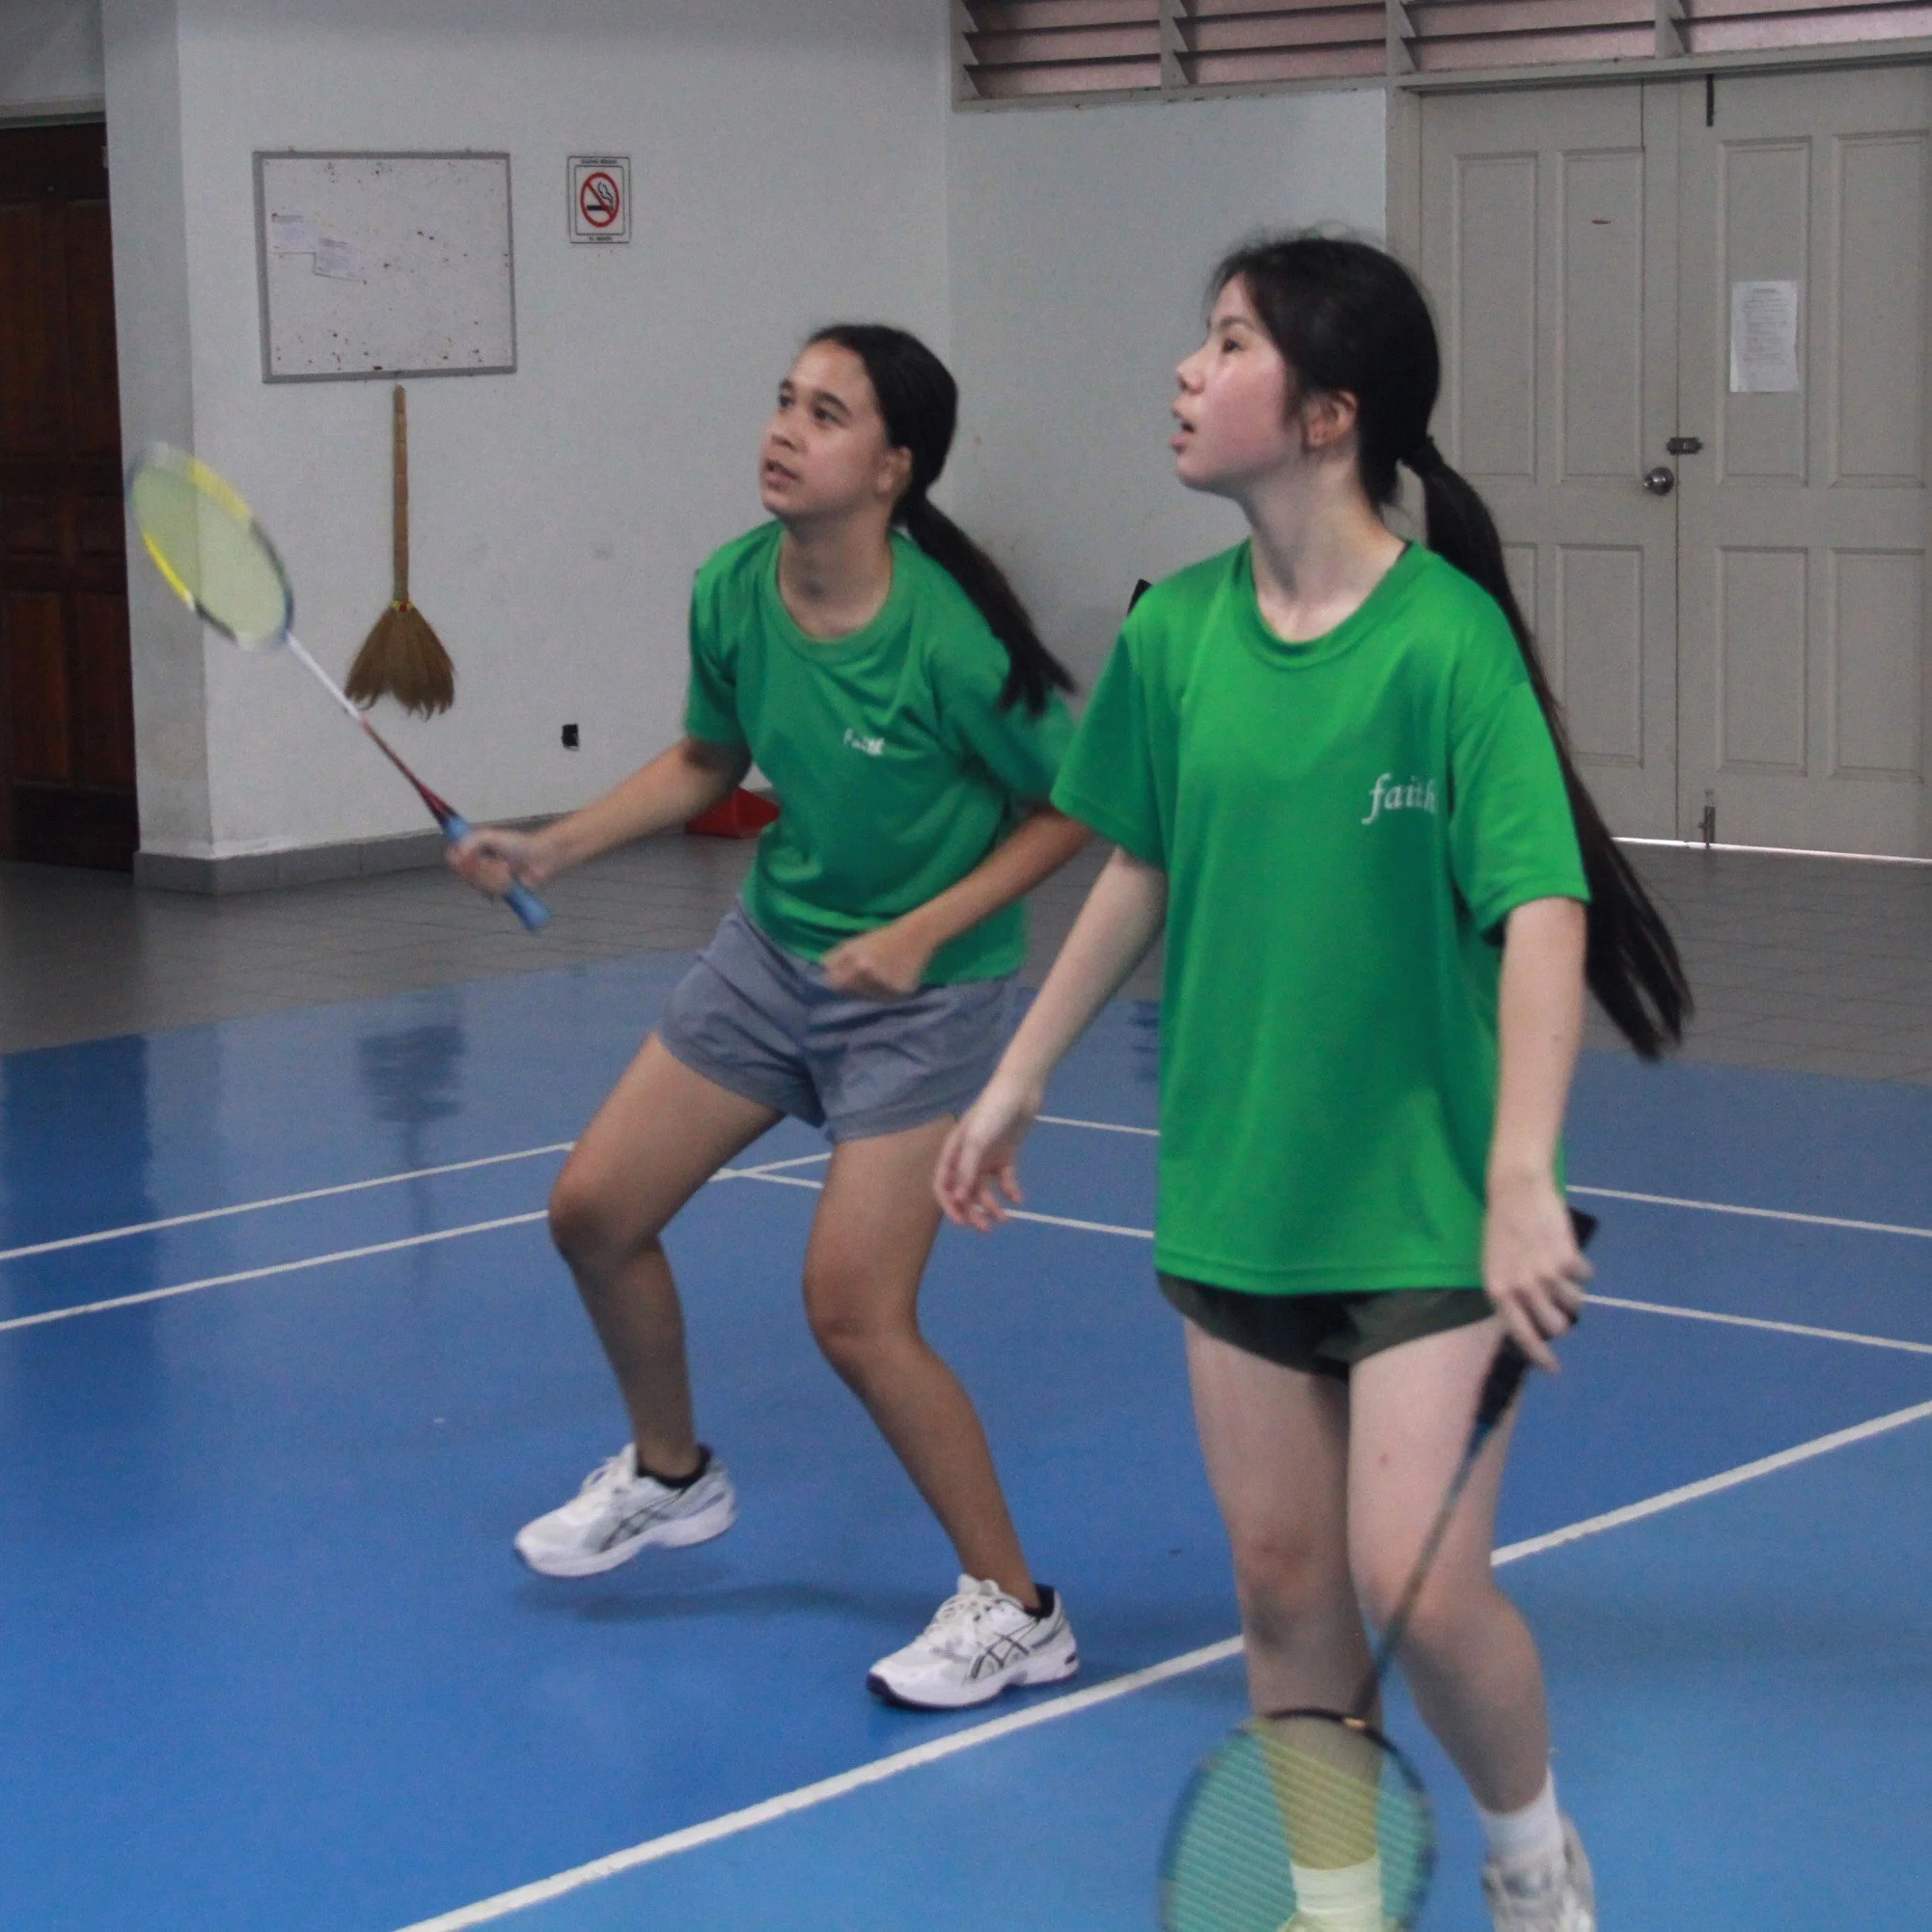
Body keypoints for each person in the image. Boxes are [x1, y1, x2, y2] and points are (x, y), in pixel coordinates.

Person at [936, 235, 1689, 1927]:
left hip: (1427, 1199)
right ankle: (1335, 1903)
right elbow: (1141, 861)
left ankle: (1529, 1856)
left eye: (1227, 345)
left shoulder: (1443, 645)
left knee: (1415, 1581)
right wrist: (1019, 1073)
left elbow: (1542, 906)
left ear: (1328, 413)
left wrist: (1520, 1171)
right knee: (1282, 1584)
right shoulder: (1178, 634)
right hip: (1239, 1183)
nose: (1186, 372)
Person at [453, 322, 1090, 1710]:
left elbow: (1075, 806)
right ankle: (671, 1474)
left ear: (894, 468)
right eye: (785, 401)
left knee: (853, 1312)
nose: (786, 430)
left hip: (923, 995)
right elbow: (709, 757)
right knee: (593, 1211)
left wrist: (923, 928)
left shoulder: (950, 639)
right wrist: (554, 845)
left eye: (828, 413)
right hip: (773, 953)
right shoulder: (735, 587)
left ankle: (1016, 1607)